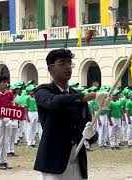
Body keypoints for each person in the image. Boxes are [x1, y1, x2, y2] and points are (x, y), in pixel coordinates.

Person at [34, 49, 107, 180]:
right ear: (51, 69)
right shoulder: (43, 91)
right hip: (54, 160)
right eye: (62, 63)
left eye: (69, 63)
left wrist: (91, 135)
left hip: (77, 159)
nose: (68, 67)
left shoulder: (78, 95)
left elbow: (87, 127)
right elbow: (54, 102)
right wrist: (86, 96)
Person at [0, 76, 14, 170]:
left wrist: (12, 118)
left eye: (6, 82)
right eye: (3, 82)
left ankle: (4, 161)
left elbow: (12, 106)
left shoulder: (10, 94)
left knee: (6, 140)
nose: (5, 84)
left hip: (7, 118)